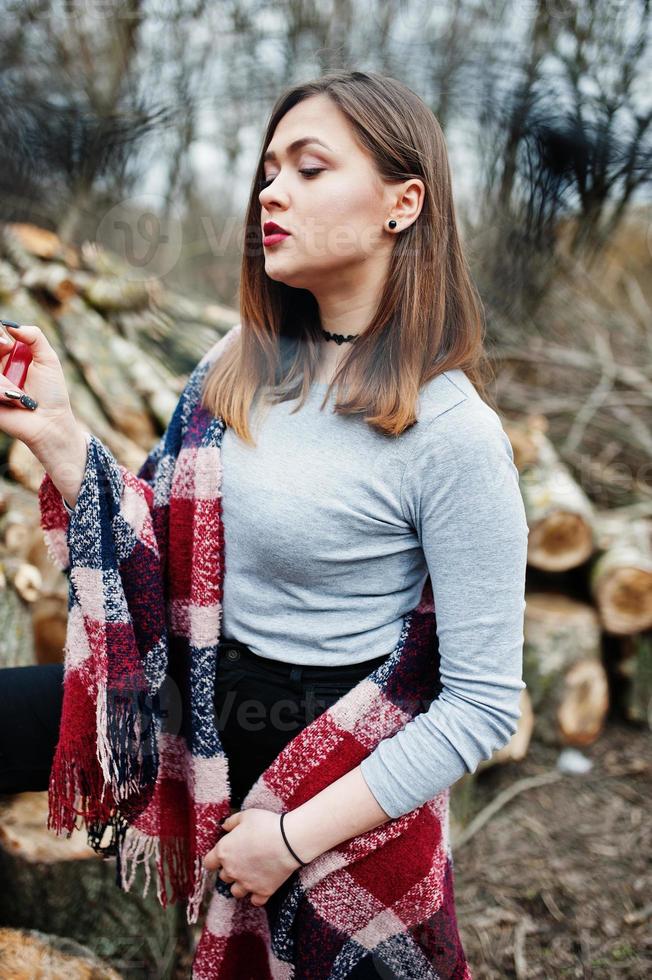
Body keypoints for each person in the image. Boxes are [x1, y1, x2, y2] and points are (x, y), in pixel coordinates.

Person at [0, 69, 528, 976]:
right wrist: (59, 432)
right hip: (191, 694)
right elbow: (159, 543)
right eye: (268, 169)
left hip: (326, 753)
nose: (270, 191)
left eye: (309, 168)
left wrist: (288, 838)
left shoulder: (454, 435)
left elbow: (481, 706)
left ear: (403, 205)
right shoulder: (236, 365)